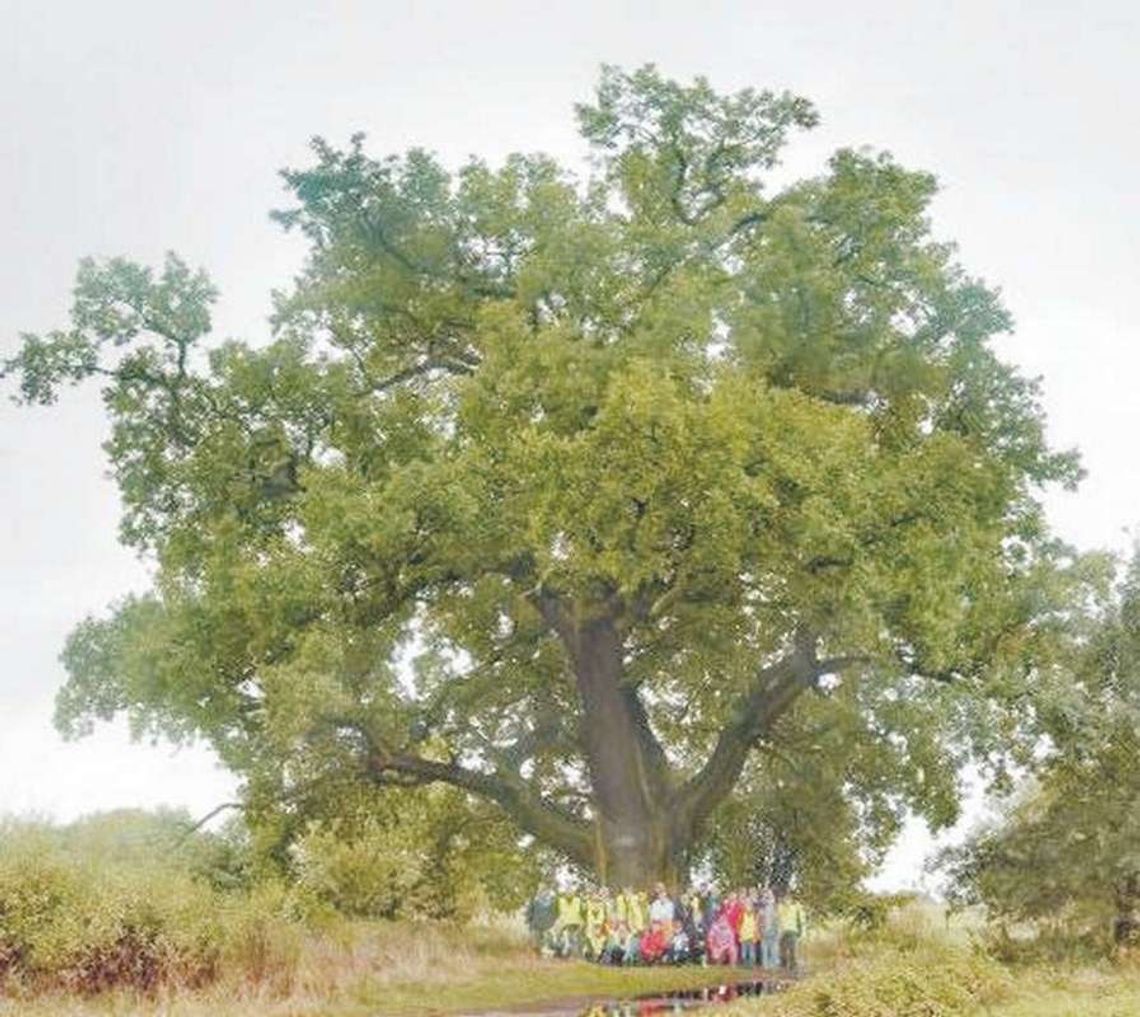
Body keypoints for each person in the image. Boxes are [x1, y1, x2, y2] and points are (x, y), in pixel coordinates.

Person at [777, 892, 807, 973]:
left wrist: (802, 932)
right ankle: (783, 965)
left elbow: (801, 919)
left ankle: (793, 966)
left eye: (789, 899)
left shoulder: (796, 907)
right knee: (782, 949)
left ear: (791, 900)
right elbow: (778, 918)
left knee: (792, 949)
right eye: (786, 899)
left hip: (792, 930)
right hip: (783, 931)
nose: (787, 901)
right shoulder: (781, 907)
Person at [525, 888, 557, 954]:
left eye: (545, 892)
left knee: (545, 942)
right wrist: (528, 919)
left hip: (547, 925)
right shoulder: (534, 901)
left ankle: (544, 953)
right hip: (536, 925)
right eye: (541, 892)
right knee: (535, 942)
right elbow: (530, 911)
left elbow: (554, 913)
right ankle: (537, 953)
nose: (543, 893)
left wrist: (553, 922)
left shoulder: (551, 902)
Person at [759, 887, 779, 970]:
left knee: (773, 948)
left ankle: (773, 965)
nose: (767, 895)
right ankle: (765, 965)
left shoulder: (775, 906)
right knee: (765, 948)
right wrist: (761, 928)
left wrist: (777, 929)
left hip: (773, 929)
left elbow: (777, 918)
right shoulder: (762, 906)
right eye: (766, 894)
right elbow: (760, 919)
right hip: (764, 929)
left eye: (769, 894)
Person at [738, 894, 759, 966]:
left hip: (752, 935)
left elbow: (756, 925)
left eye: (749, 904)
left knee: (752, 950)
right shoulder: (742, 914)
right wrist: (740, 934)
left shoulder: (754, 914)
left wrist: (756, 934)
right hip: (744, 935)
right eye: (746, 904)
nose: (748, 906)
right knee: (744, 951)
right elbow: (739, 925)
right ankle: (744, 962)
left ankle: (751, 963)